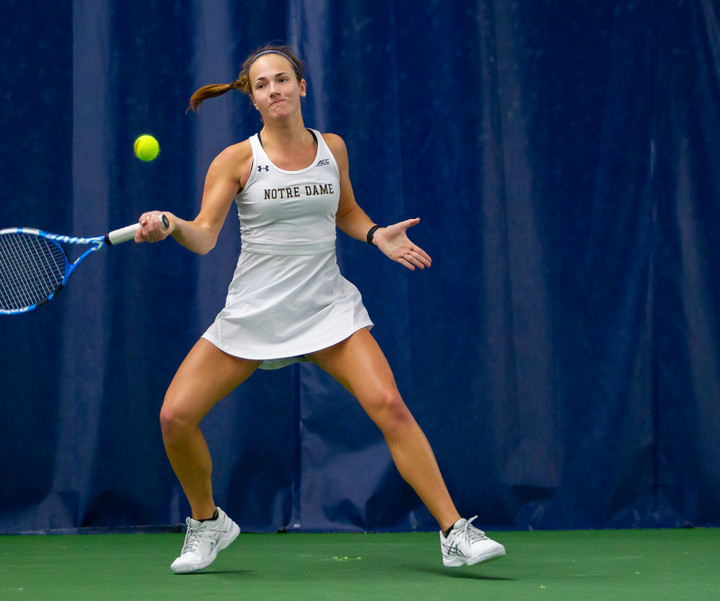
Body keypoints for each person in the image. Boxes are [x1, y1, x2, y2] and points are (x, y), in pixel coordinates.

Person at [134, 45, 505, 574]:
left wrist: (377, 235)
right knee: (175, 416)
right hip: (255, 314)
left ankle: (454, 532)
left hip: (327, 310)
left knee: (390, 406)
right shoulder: (236, 160)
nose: (274, 90)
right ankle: (207, 521)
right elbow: (205, 236)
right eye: (262, 85)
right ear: (254, 100)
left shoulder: (332, 148)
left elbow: (346, 211)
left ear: (301, 87)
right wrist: (171, 224)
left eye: (282, 79)